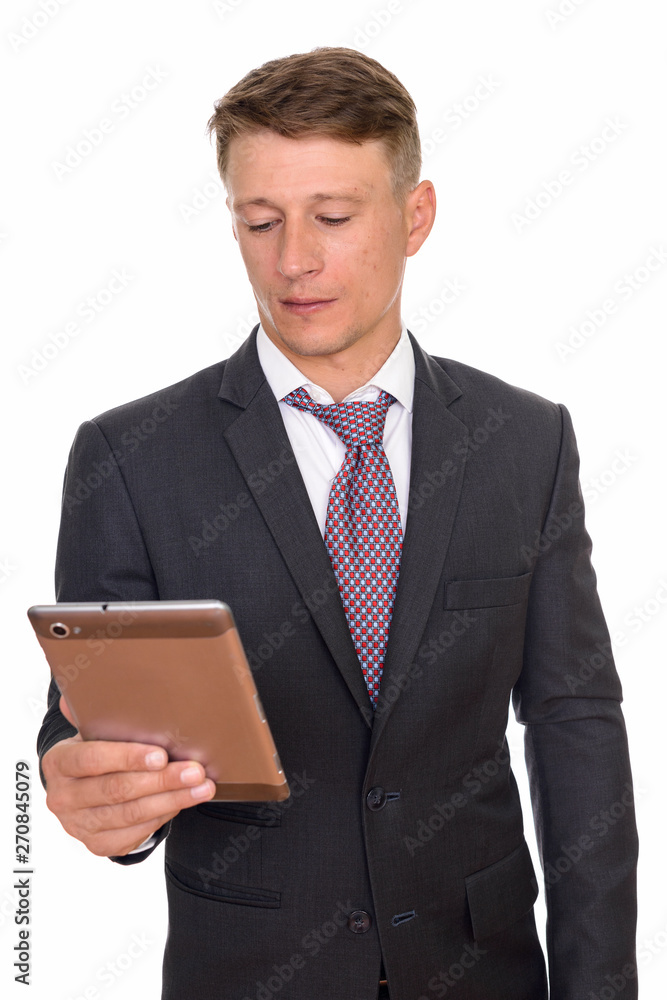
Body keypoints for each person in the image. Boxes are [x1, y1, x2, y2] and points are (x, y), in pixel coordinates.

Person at [37, 47, 638, 1000]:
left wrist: (598, 986)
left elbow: (574, 720)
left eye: (332, 217)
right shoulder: (131, 455)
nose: (293, 261)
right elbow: (86, 720)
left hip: (480, 969)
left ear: (415, 216)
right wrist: (84, 786)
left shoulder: (526, 443)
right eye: (260, 221)